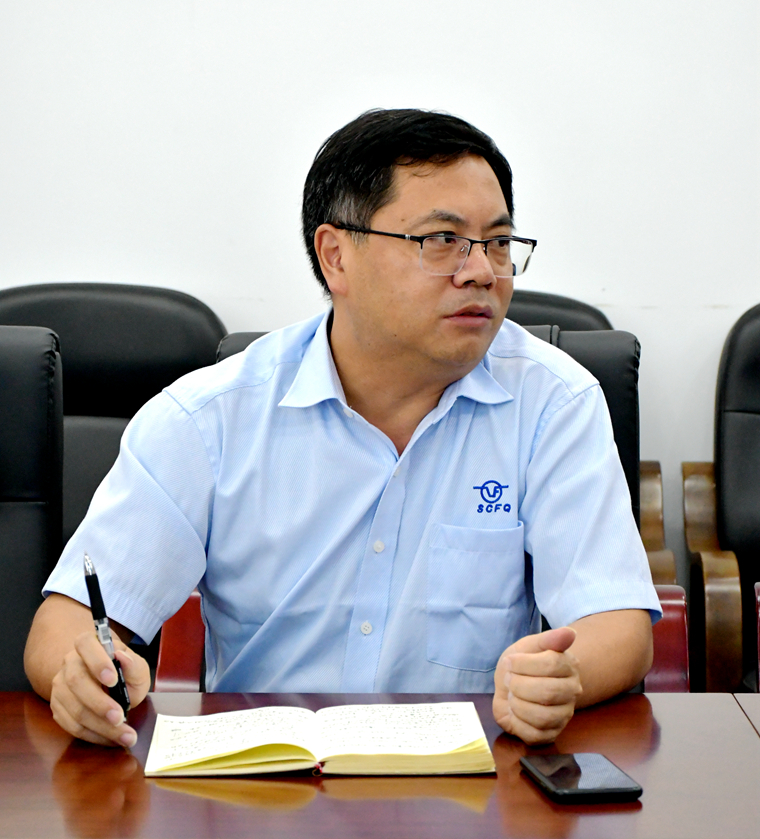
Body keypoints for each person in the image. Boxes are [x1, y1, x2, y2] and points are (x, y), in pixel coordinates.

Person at [24, 109, 660, 749]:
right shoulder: (209, 418)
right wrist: (82, 675)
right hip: (264, 779)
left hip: (471, 778)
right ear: (336, 257)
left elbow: (616, 623)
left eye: (498, 242)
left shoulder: (553, 402)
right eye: (442, 239)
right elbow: (65, 626)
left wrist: (561, 677)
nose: (483, 271)